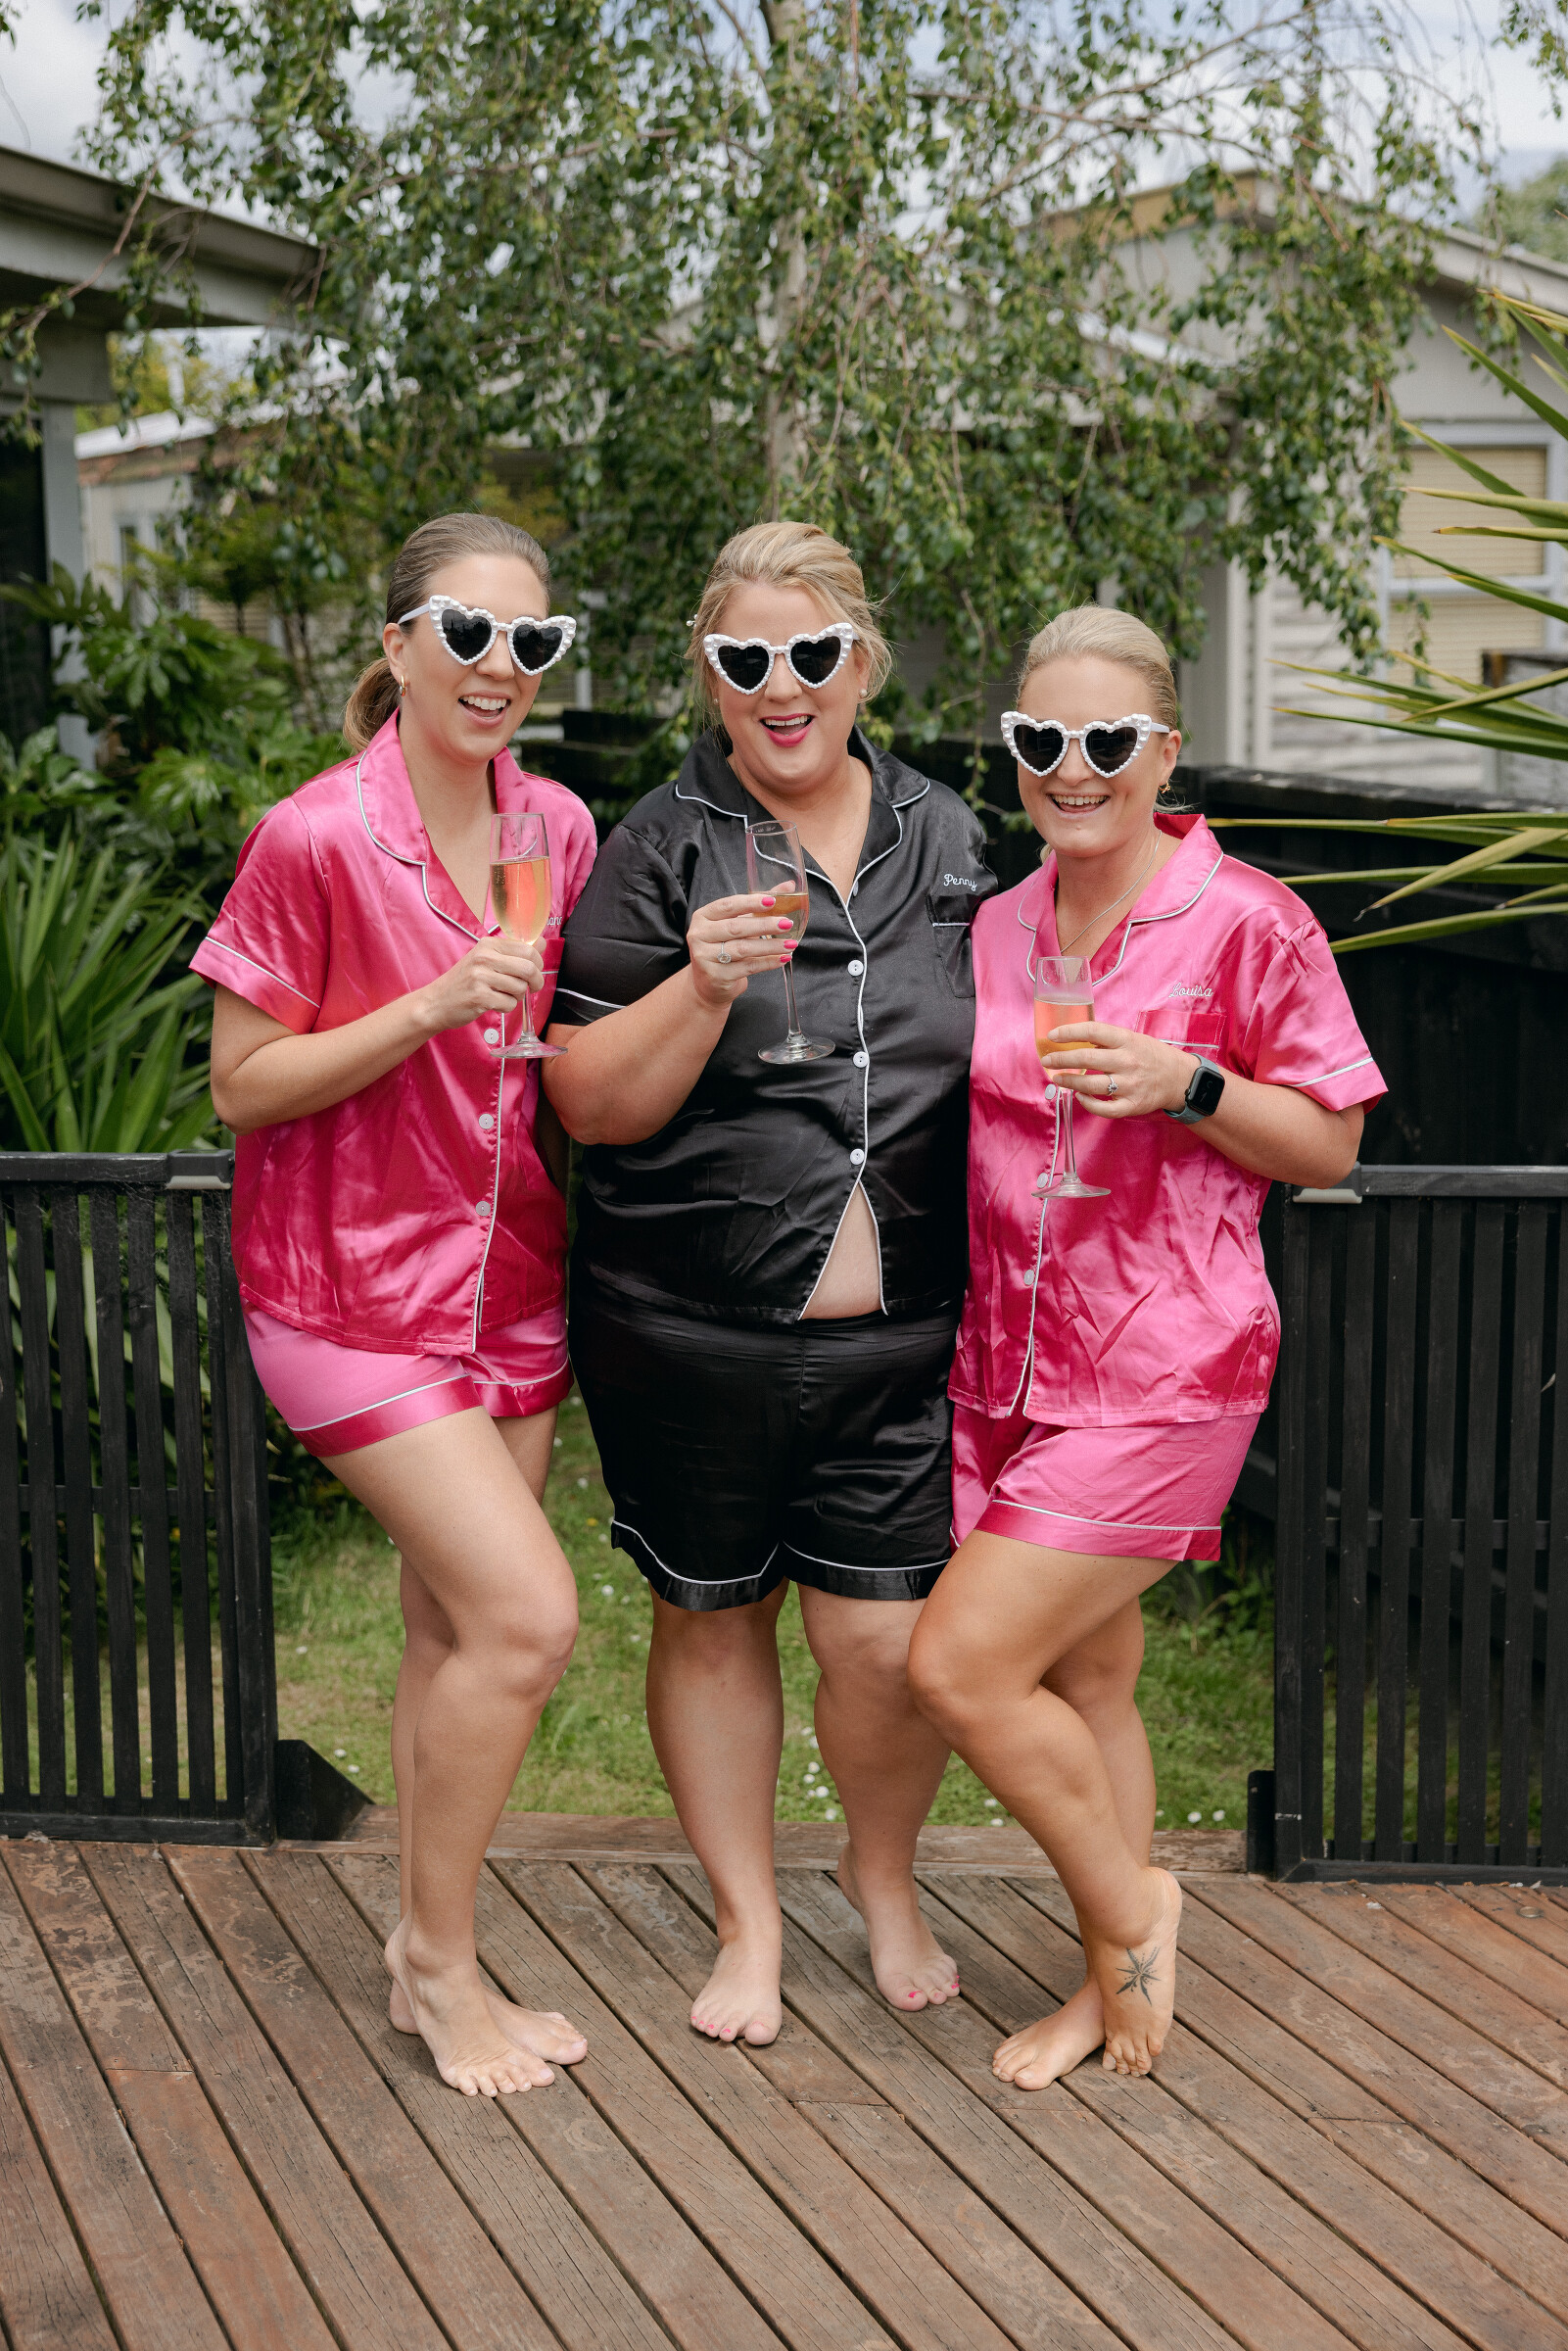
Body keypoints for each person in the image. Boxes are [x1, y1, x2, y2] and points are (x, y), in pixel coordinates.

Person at [907, 604, 1385, 2087]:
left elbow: (1331, 1145)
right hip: (1009, 1359)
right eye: (1041, 737)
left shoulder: (1248, 919)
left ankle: (1134, 1913)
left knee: (961, 1667)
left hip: (1166, 1361)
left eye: (1106, 738)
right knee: (1090, 1683)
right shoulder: (1000, 924)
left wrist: (1190, 1085)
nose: (1073, 765)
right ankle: (1107, 1982)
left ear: (1164, 752)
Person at [544, 521, 997, 2044]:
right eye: (746, 657)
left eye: (811, 652)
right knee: (712, 1617)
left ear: (861, 663)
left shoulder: (950, 835)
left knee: (882, 1643)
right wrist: (700, 982)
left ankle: (881, 1880)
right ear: (710, 671)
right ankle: (746, 1922)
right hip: (687, 1331)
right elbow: (587, 1101)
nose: (780, 684)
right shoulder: (659, 841)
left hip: (903, 1339)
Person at [194, 512, 598, 2098]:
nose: (500, 666)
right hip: (346, 1292)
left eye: (531, 641)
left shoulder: (553, 827)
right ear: (399, 648)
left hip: (511, 1286)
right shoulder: (313, 838)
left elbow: (551, 1062)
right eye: (468, 633)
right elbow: (242, 1084)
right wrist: (430, 1002)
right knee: (528, 1616)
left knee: (450, 1630)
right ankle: (438, 1964)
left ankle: (426, 1947)